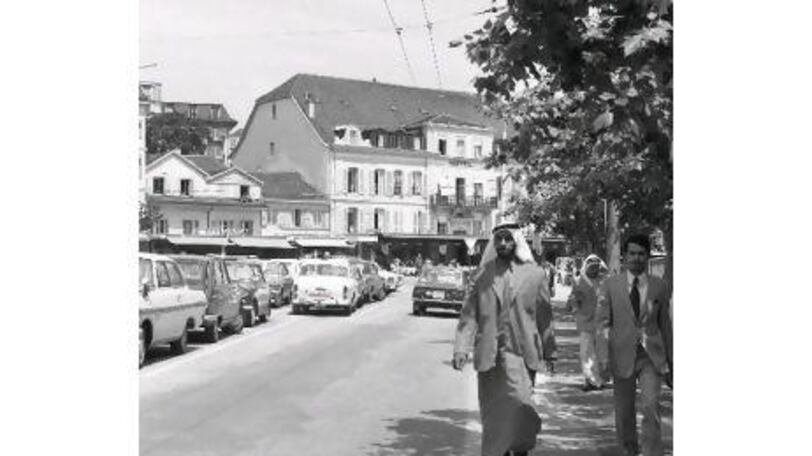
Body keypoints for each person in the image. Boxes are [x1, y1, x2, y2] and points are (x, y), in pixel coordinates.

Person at [452, 221, 556, 456]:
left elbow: (545, 316)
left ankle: (519, 448)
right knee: (494, 415)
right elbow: (469, 315)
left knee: (522, 406)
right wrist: (461, 348)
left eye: (508, 238)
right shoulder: (482, 275)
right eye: (498, 239)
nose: (503, 243)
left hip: (522, 356)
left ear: (517, 240)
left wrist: (550, 351)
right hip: (490, 359)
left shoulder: (536, 275)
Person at [596, 234, 672, 456]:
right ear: (624, 256)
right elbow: (602, 324)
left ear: (647, 256)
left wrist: (672, 361)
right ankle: (628, 450)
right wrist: (603, 357)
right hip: (621, 355)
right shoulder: (610, 285)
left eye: (641, 254)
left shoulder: (660, 286)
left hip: (651, 357)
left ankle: (651, 452)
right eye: (632, 253)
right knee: (624, 411)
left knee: (651, 406)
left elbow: (666, 325)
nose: (636, 258)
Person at [567, 254, 608, 392]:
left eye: (596, 266)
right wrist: (574, 303)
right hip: (585, 322)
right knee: (586, 353)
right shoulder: (579, 281)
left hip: (603, 324)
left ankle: (600, 379)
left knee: (601, 353)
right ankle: (589, 379)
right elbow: (572, 301)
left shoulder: (605, 281)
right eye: (591, 266)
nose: (594, 268)